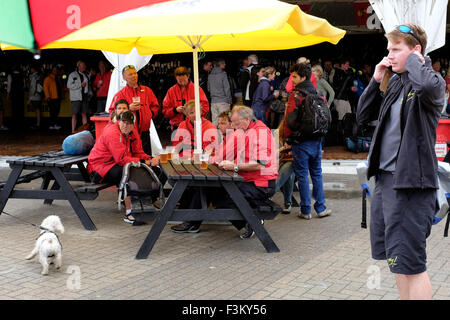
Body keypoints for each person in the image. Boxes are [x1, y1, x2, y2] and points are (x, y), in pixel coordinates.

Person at [357, 23, 445, 300]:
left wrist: (419, 62)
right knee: (397, 261)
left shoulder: (430, 83)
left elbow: (428, 85)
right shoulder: (395, 82)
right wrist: (376, 79)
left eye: (396, 49)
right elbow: (362, 117)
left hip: (410, 185)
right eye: (388, 49)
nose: (389, 55)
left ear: (416, 51)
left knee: (412, 265)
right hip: (385, 181)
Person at [87, 110, 160, 225]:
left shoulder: (133, 132)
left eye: (129, 123)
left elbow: (138, 152)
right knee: (127, 173)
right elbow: (121, 159)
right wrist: (144, 161)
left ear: (133, 124)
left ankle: (146, 204)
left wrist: (150, 158)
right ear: (119, 121)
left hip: (115, 164)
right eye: (123, 122)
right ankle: (129, 211)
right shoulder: (112, 133)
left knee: (154, 170)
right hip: (99, 167)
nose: (125, 125)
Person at [285, 63, 331, 220]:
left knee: (303, 175)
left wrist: (288, 139)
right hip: (317, 139)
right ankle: (321, 207)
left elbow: (289, 121)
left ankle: (305, 210)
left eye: (295, 76)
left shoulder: (296, 95)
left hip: (301, 141)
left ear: (303, 77)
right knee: (317, 173)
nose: (292, 79)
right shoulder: (318, 93)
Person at [169, 100, 218, 234]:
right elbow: (177, 146)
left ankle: (191, 222)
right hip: (188, 163)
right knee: (175, 179)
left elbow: (209, 150)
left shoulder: (209, 127)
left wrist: (188, 151)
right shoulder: (183, 125)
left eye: (196, 112)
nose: (194, 115)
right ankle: (185, 215)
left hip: (206, 166)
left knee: (198, 185)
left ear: (202, 112)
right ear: (186, 114)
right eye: (191, 113)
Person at [109, 65, 160, 156]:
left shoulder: (147, 90)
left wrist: (149, 115)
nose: (134, 76)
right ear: (124, 78)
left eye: (135, 73)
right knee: (133, 158)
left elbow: (155, 105)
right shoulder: (120, 94)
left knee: (147, 157)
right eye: (130, 74)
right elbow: (112, 113)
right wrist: (128, 108)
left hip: (145, 132)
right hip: (129, 133)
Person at [162, 66, 209, 132]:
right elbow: (165, 111)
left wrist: (193, 114)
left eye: (184, 80)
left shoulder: (197, 89)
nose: (182, 83)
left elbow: (205, 107)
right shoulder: (171, 91)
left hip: (194, 126)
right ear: (176, 78)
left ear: (188, 76)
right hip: (177, 127)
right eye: (180, 81)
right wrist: (175, 110)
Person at [208, 59, 232, 126]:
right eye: (224, 63)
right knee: (225, 121)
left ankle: (215, 136)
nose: (225, 65)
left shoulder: (210, 75)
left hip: (213, 102)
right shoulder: (223, 74)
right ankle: (226, 136)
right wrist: (229, 101)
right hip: (223, 101)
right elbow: (227, 88)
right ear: (220, 65)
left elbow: (208, 88)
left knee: (215, 122)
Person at [67, 61, 89, 133]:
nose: (84, 67)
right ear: (78, 66)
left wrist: (89, 93)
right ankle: (73, 130)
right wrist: (80, 85)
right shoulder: (72, 75)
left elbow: (88, 85)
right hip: (76, 97)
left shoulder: (86, 74)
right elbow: (69, 85)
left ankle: (85, 132)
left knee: (84, 113)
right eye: (83, 66)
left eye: (84, 66)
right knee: (75, 114)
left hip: (84, 97)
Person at [28, 65, 44, 130]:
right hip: (39, 95)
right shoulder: (39, 75)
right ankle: (38, 123)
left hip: (35, 96)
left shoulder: (33, 76)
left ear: (33, 69)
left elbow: (33, 88)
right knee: (38, 110)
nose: (30, 70)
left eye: (31, 68)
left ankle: (38, 124)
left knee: (37, 110)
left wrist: (30, 98)